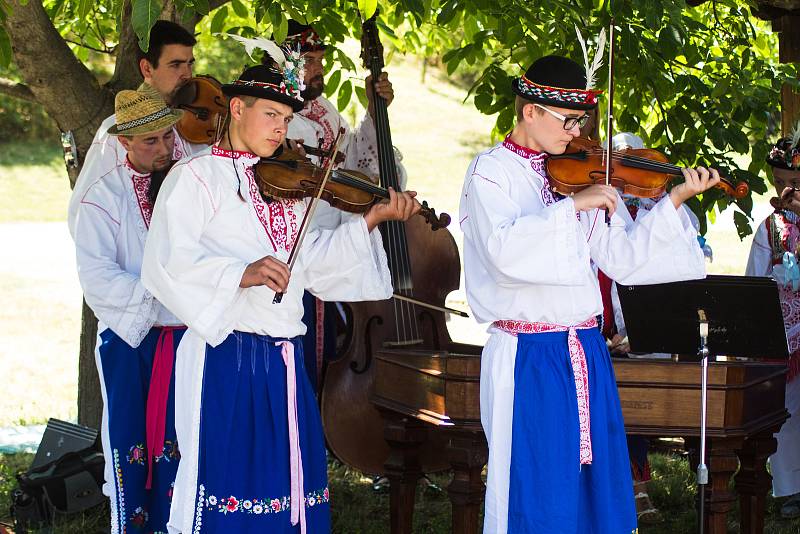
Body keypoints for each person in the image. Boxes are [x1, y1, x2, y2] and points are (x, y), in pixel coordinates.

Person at [141, 51, 421, 533]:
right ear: (236, 109)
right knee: (231, 493)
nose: (280, 128)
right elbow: (165, 263)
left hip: (284, 361)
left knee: (288, 495)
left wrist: (370, 219)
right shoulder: (195, 178)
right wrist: (240, 273)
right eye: (271, 114)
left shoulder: (286, 185)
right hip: (226, 358)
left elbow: (309, 261)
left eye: (287, 118)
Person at [458, 54, 721, 533]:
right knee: (536, 490)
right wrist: (571, 207)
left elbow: (623, 259)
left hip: (586, 352)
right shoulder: (490, 173)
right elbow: (503, 252)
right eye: (568, 121)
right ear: (529, 110)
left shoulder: (583, 172)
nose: (577, 133)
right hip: (529, 357)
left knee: (596, 496)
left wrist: (674, 201)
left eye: (581, 121)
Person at [72, 88, 186, 533]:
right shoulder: (100, 197)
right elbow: (96, 276)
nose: (163, 149)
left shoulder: (186, 184)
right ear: (123, 143)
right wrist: (161, 294)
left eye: (167, 137)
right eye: (150, 142)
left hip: (184, 340)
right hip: (130, 338)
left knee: (186, 444)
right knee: (131, 441)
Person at [273, 20, 407, 391]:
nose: (318, 68)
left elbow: (358, 167)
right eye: (308, 60)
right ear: (283, 64)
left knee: (324, 354)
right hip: (293, 251)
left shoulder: (325, 112)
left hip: (333, 250)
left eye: (319, 59)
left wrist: (374, 111)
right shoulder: (273, 118)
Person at [68, 19, 202, 238]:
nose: (187, 74)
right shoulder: (116, 130)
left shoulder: (196, 119)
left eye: (190, 64)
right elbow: (83, 213)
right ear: (147, 68)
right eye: (176, 65)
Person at [746, 127, 800, 518]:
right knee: (788, 413)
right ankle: (788, 489)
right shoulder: (770, 229)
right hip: (786, 337)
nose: (787, 191)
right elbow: (754, 281)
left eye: (795, 183)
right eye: (780, 183)